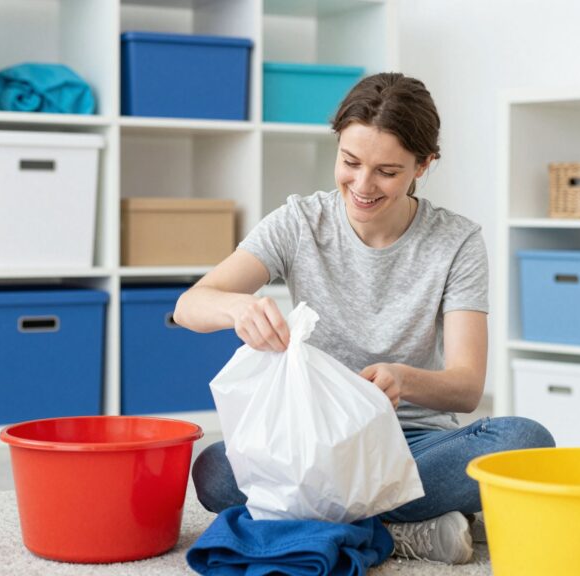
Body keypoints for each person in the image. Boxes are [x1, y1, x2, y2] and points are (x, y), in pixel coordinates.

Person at [174, 72, 555, 565]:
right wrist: (236, 307)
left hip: (415, 442)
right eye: (350, 162)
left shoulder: (456, 242)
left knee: (526, 443)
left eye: (387, 172)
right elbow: (189, 305)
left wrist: (403, 379)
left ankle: (333, 523)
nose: (362, 185)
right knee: (214, 470)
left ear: (424, 165)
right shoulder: (300, 222)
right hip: (316, 443)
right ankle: (403, 531)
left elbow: (466, 387)